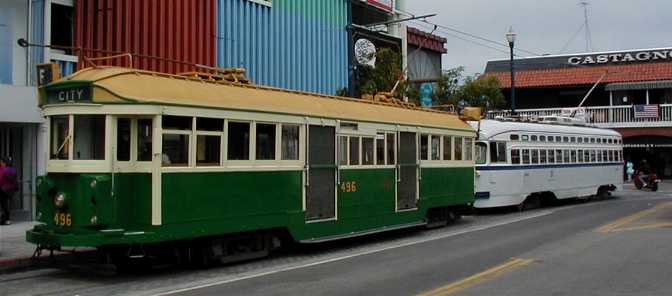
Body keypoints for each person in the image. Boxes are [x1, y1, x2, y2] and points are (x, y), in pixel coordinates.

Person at [0, 157, 18, 225]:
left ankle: (4, 220)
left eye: (1, 162)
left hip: (3, 189)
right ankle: (7, 220)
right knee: (6, 205)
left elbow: (1, 180)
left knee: (3, 205)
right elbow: (15, 180)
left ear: (5, 163)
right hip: (10, 190)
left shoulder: (4, 170)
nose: (1, 163)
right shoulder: (14, 170)